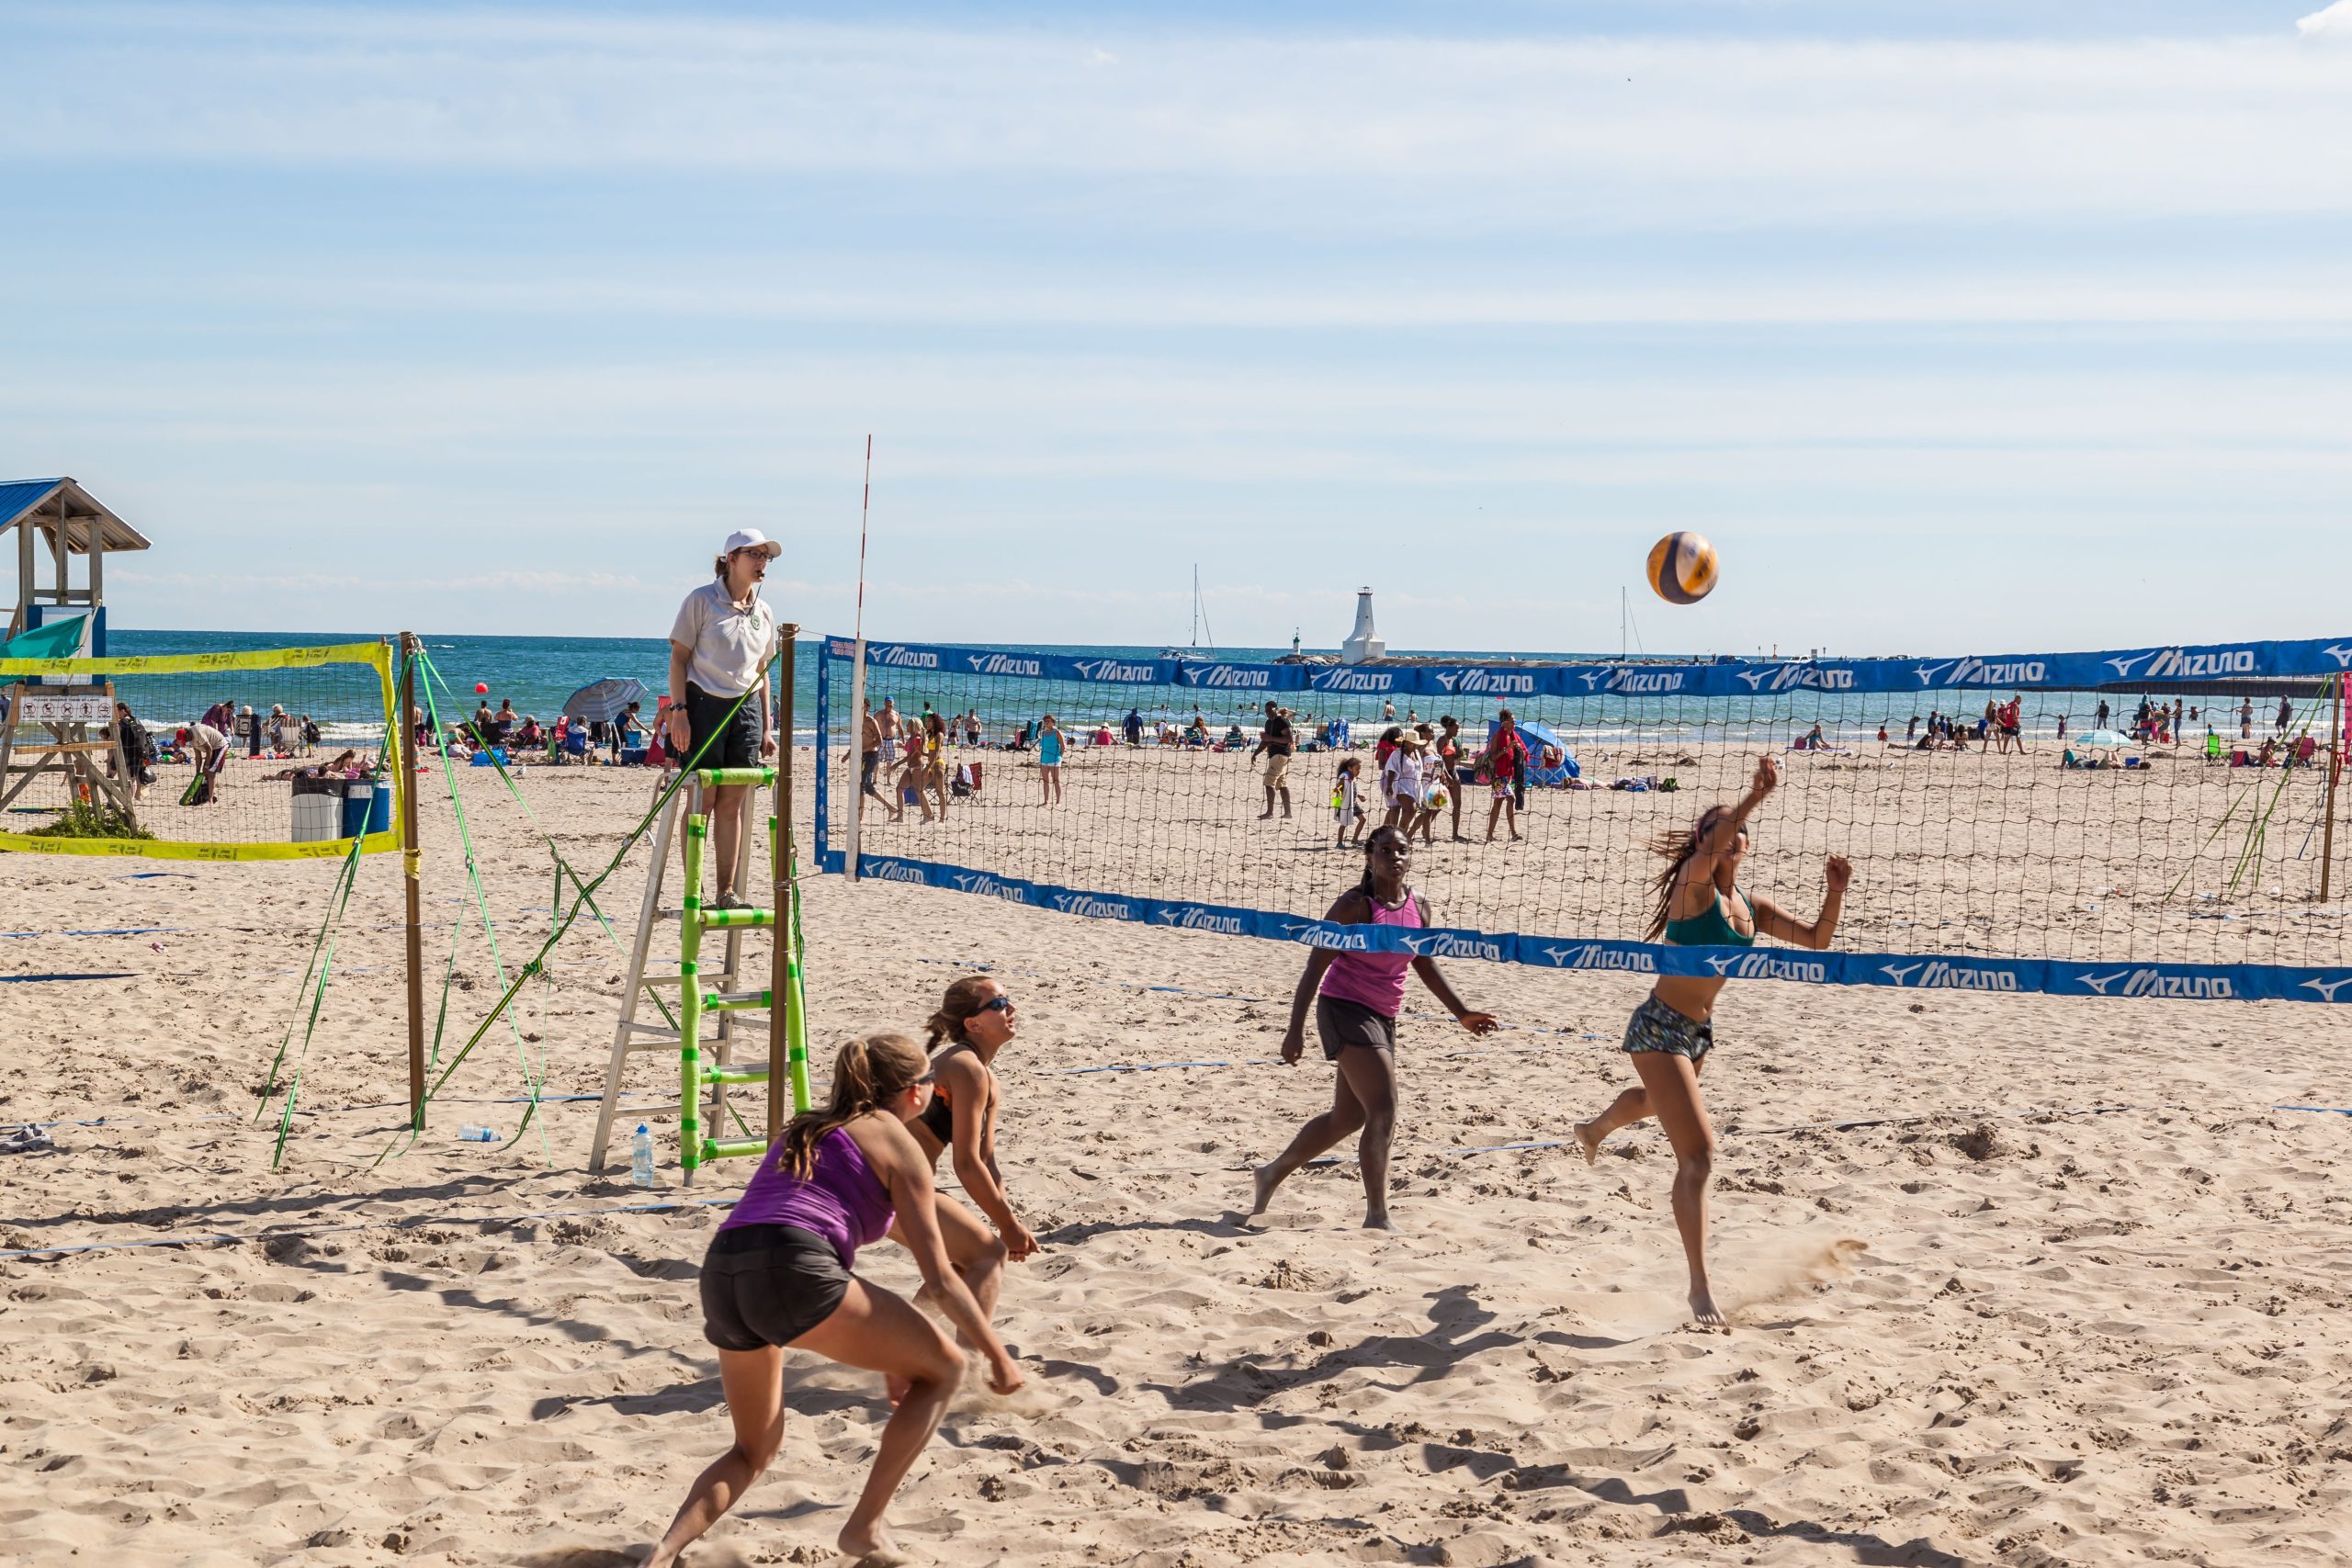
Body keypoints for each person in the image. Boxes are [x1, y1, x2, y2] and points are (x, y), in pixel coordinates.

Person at [642, 1034, 1019, 1567]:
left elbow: (797, 1215)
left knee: (751, 1450)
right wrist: (997, 1356)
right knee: (947, 1370)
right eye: (931, 1081)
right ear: (914, 1092)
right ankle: (864, 1528)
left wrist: (894, 1352)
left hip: (724, 1270)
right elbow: (939, 1279)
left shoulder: (805, 1128)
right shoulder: (901, 1144)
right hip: (794, 1267)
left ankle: (660, 1555)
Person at [1570, 756, 1852, 1330]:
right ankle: (1699, 1289)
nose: (1732, 837)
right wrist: (1754, 797)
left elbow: (1818, 941)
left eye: (1738, 832)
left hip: (1698, 1034)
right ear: (1705, 842)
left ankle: (1594, 1128)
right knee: (1698, 1155)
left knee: (1655, 1104)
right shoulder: (1691, 889)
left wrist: (1835, 892)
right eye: (1721, 830)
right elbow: (1713, 844)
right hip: (1658, 1027)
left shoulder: (1751, 907)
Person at [1251, 827, 1498, 1230]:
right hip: (1344, 1008)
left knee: (1347, 1118)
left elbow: (1423, 961)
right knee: (1384, 1108)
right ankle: (1378, 1216)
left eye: (1402, 850)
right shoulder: (1354, 906)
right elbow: (1315, 966)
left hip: (1383, 1014)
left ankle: (1271, 1173)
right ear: (1369, 857)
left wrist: (1461, 1012)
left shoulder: (1419, 904)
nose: (1395, 857)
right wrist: (1294, 1030)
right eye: (1385, 850)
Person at [908, 977, 1039, 1334]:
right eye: (998, 1004)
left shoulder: (984, 1076)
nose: (1011, 1008)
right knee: (987, 1256)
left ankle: (909, 1340)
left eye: (1007, 1000)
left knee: (970, 1261)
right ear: (973, 1024)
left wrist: (1006, 1221)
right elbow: (965, 1165)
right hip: (878, 1178)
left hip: (894, 1179)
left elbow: (986, 1160)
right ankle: (970, 1364)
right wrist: (1008, 1229)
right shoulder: (964, 1066)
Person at [666, 529, 784, 908]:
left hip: (746, 709)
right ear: (731, 558)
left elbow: (763, 670)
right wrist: (679, 712)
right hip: (703, 704)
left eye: (766, 556)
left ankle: (726, 891)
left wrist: (766, 728)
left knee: (733, 803)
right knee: (702, 799)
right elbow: (678, 659)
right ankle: (695, 889)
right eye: (755, 555)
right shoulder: (701, 600)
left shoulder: (764, 611)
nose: (762, 562)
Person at [1485, 711, 1528, 842]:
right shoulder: (1497, 737)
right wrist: (1507, 748)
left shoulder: (1514, 736)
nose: (1515, 723)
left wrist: (1519, 750)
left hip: (1507, 774)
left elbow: (1524, 752)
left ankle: (1497, 834)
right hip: (1498, 775)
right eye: (1512, 721)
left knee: (1501, 802)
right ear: (1505, 722)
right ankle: (1508, 833)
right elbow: (1492, 757)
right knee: (1506, 800)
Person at [1251, 700, 1294, 820]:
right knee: (1282, 785)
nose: (1267, 712)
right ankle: (1288, 813)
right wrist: (1255, 754)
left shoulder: (1282, 721)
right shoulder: (1268, 723)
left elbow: (1288, 739)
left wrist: (1270, 738)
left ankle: (1269, 813)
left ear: (1276, 709)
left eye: (1270, 710)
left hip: (1280, 755)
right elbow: (1265, 741)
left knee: (1268, 783)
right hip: (1275, 756)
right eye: (1266, 710)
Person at [111, 701, 154, 800]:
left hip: (128, 752)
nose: (115, 714)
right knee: (136, 775)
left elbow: (116, 736)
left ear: (122, 711)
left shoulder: (122, 723)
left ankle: (128, 800)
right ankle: (136, 796)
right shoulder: (136, 720)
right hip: (141, 752)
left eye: (116, 711)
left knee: (127, 777)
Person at [1331, 754, 1368, 847]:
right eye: (1357, 769)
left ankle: (1354, 839)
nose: (1358, 771)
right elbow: (1339, 787)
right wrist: (1338, 790)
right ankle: (1339, 843)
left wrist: (1359, 796)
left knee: (1363, 820)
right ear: (1350, 768)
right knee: (1344, 824)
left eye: (1359, 769)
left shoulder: (1353, 777)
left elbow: (1353, 789)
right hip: (1344, 804)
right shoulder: (1345, 776)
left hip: (1353, 803)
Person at [1036, 714, 1065, 804]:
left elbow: (1063, 746)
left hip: (1055, 759)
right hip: (1044, 760)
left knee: (1056, 780)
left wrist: (1059, 757)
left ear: (1053, 722)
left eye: (1048, 721)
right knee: (1045, 781)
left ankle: (1058, 802)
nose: (1046, 722)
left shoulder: (1057, 732)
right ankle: (1046, 801)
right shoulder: (1043, 733)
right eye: (1045, 721)